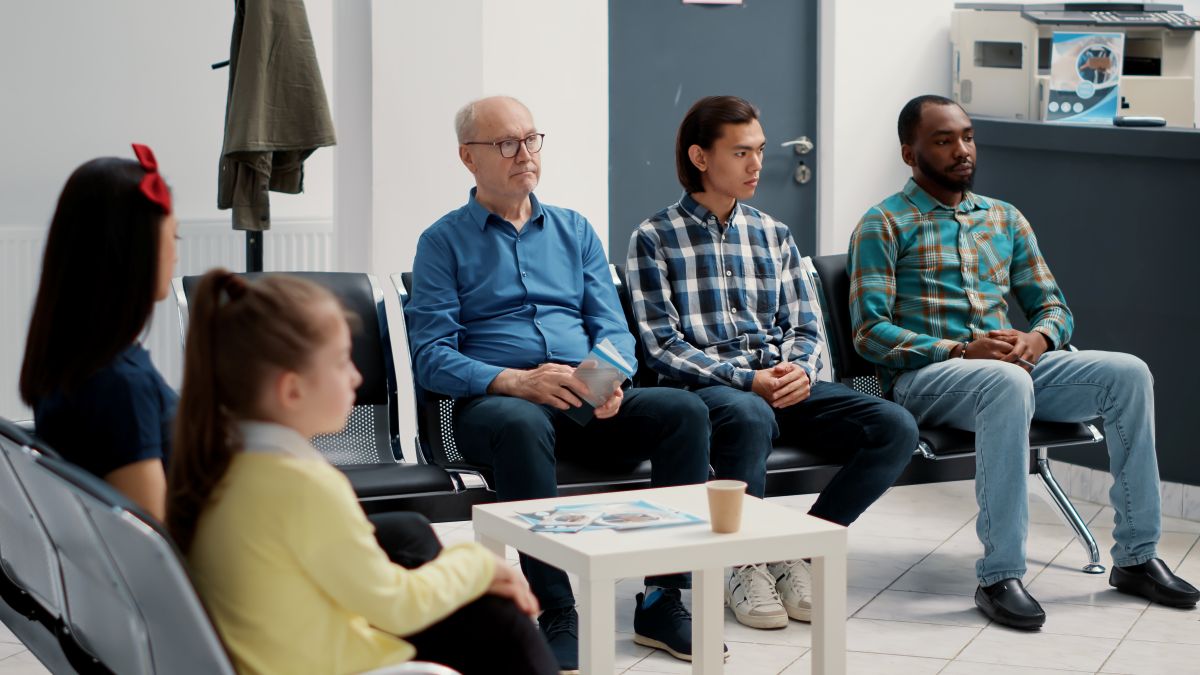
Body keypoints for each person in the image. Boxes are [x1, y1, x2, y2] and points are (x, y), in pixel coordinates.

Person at [848, 94, 1199, 630]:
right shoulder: (884, 224)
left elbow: (1054, 307)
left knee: (1128, 373)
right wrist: (960, 349)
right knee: (1004, 383)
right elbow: (869, 334)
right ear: (909, 153)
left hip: (1008, 369)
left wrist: (1038, 338)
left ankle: (1135, 558)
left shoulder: (1004, 218)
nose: (962, 150)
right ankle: (1000, 575)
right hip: (927, 379)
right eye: (943, 140)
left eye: (967, 137)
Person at [405, 96, 714, 671]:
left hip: (583, 398)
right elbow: (431, 357)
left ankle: (662, 598)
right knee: (522, 424)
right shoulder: (441, 243)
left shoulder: (575, 230)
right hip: (496, 407)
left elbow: (614, 331)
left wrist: (602, 382)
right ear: (468, 158)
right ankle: (557, 609)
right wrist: (514, 381)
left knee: (683, 412)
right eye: (506, 144)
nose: (524, 154)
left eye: (531, 139)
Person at [168, 269, 557, 675]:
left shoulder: (220, 463)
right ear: (292, 389)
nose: (356, 376)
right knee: (500, 622)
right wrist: (479, 562)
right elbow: (397, 605)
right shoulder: (304, 487)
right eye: (342, 362)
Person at [627, 96, 918, 631]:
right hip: (709, 393)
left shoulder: (774, 233)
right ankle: (743, 565)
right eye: (741, 153)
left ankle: (798, 550)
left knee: (894, 426)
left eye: (759, 151)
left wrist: (799, 370)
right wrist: (747, 379)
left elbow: (805, 326)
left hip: (780, 382)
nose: (757, 164)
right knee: (749, 412)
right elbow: (661, 346)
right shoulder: (654, 237)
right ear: (699, 157)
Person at [20, 144, 178, 520]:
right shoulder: (124, 388)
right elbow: (151, 539)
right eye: (174, 238)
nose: (176, 254)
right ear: (134, 254)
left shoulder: (66, 359)